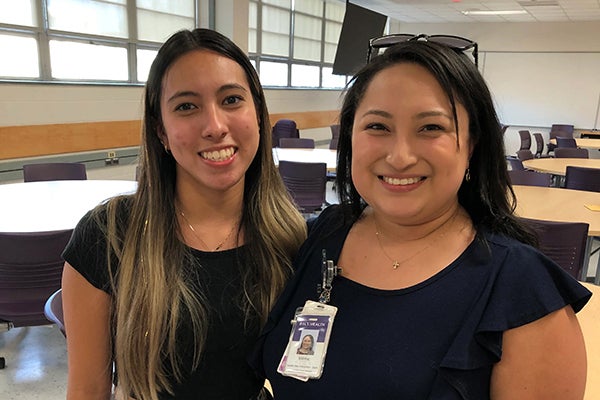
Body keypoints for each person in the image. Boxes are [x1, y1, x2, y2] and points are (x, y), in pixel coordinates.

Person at [256, 37, 592, 399]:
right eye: (378, 127)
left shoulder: (522, 291)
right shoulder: (323, 234)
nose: (400, 157)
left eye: (431, 128)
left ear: (473, 144)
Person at [61, 28, 307, 400]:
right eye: (186, 106)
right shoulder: (108, 235)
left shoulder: (293, 238)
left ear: (258, 114)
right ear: (160, 130)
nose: (215, 126)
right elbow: (86, 391)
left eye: (232, 99)